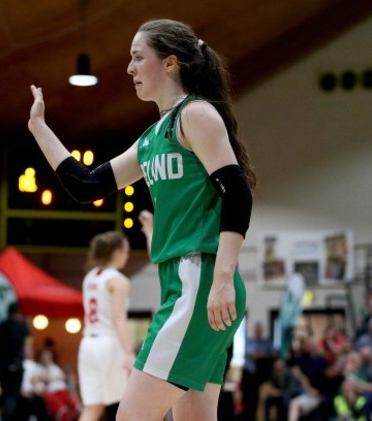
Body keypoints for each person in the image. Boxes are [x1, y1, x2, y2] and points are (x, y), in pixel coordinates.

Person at [27, 18, 255, 420]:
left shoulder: (195, 115)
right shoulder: (152, 137)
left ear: (170, 63)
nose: (129, 68)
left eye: (137, 57)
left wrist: (221, 278)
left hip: (200, 278)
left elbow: (236, 193)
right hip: (182, 281)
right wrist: (40, 129)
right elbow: (86, 185)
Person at [77, 230, 134, 421]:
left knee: (92, 407)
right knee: (121, 405)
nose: (128, 254)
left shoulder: (90, 277)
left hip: (87, 345)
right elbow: (118, 319)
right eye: (126, 250)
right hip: (108, 345)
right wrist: (129, 353)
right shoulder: (118, 281)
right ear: (116, 252)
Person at [0, 301, 30, 421]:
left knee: (6, 394)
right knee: (13, 396)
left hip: (2, 365)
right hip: (16, 364)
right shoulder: (22, 326)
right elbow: (27, 344)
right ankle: (4, 417)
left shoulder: (1, 325)